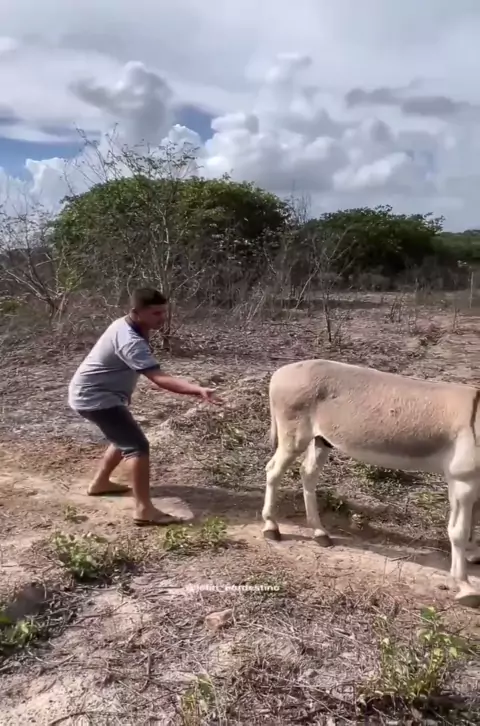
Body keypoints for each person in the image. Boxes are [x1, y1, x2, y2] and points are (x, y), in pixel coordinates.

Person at [68, 287, 222, 526]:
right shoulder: (130, 340)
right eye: (156, 313)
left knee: (124, 437)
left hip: (97, 395)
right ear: (136, 312)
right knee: (138, 447)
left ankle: (100, 483)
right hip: (96, 398)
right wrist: (197, 390)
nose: (162, 318)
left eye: (164, 312)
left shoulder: (128, 325)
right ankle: (143, 510)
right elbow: (159, 378)